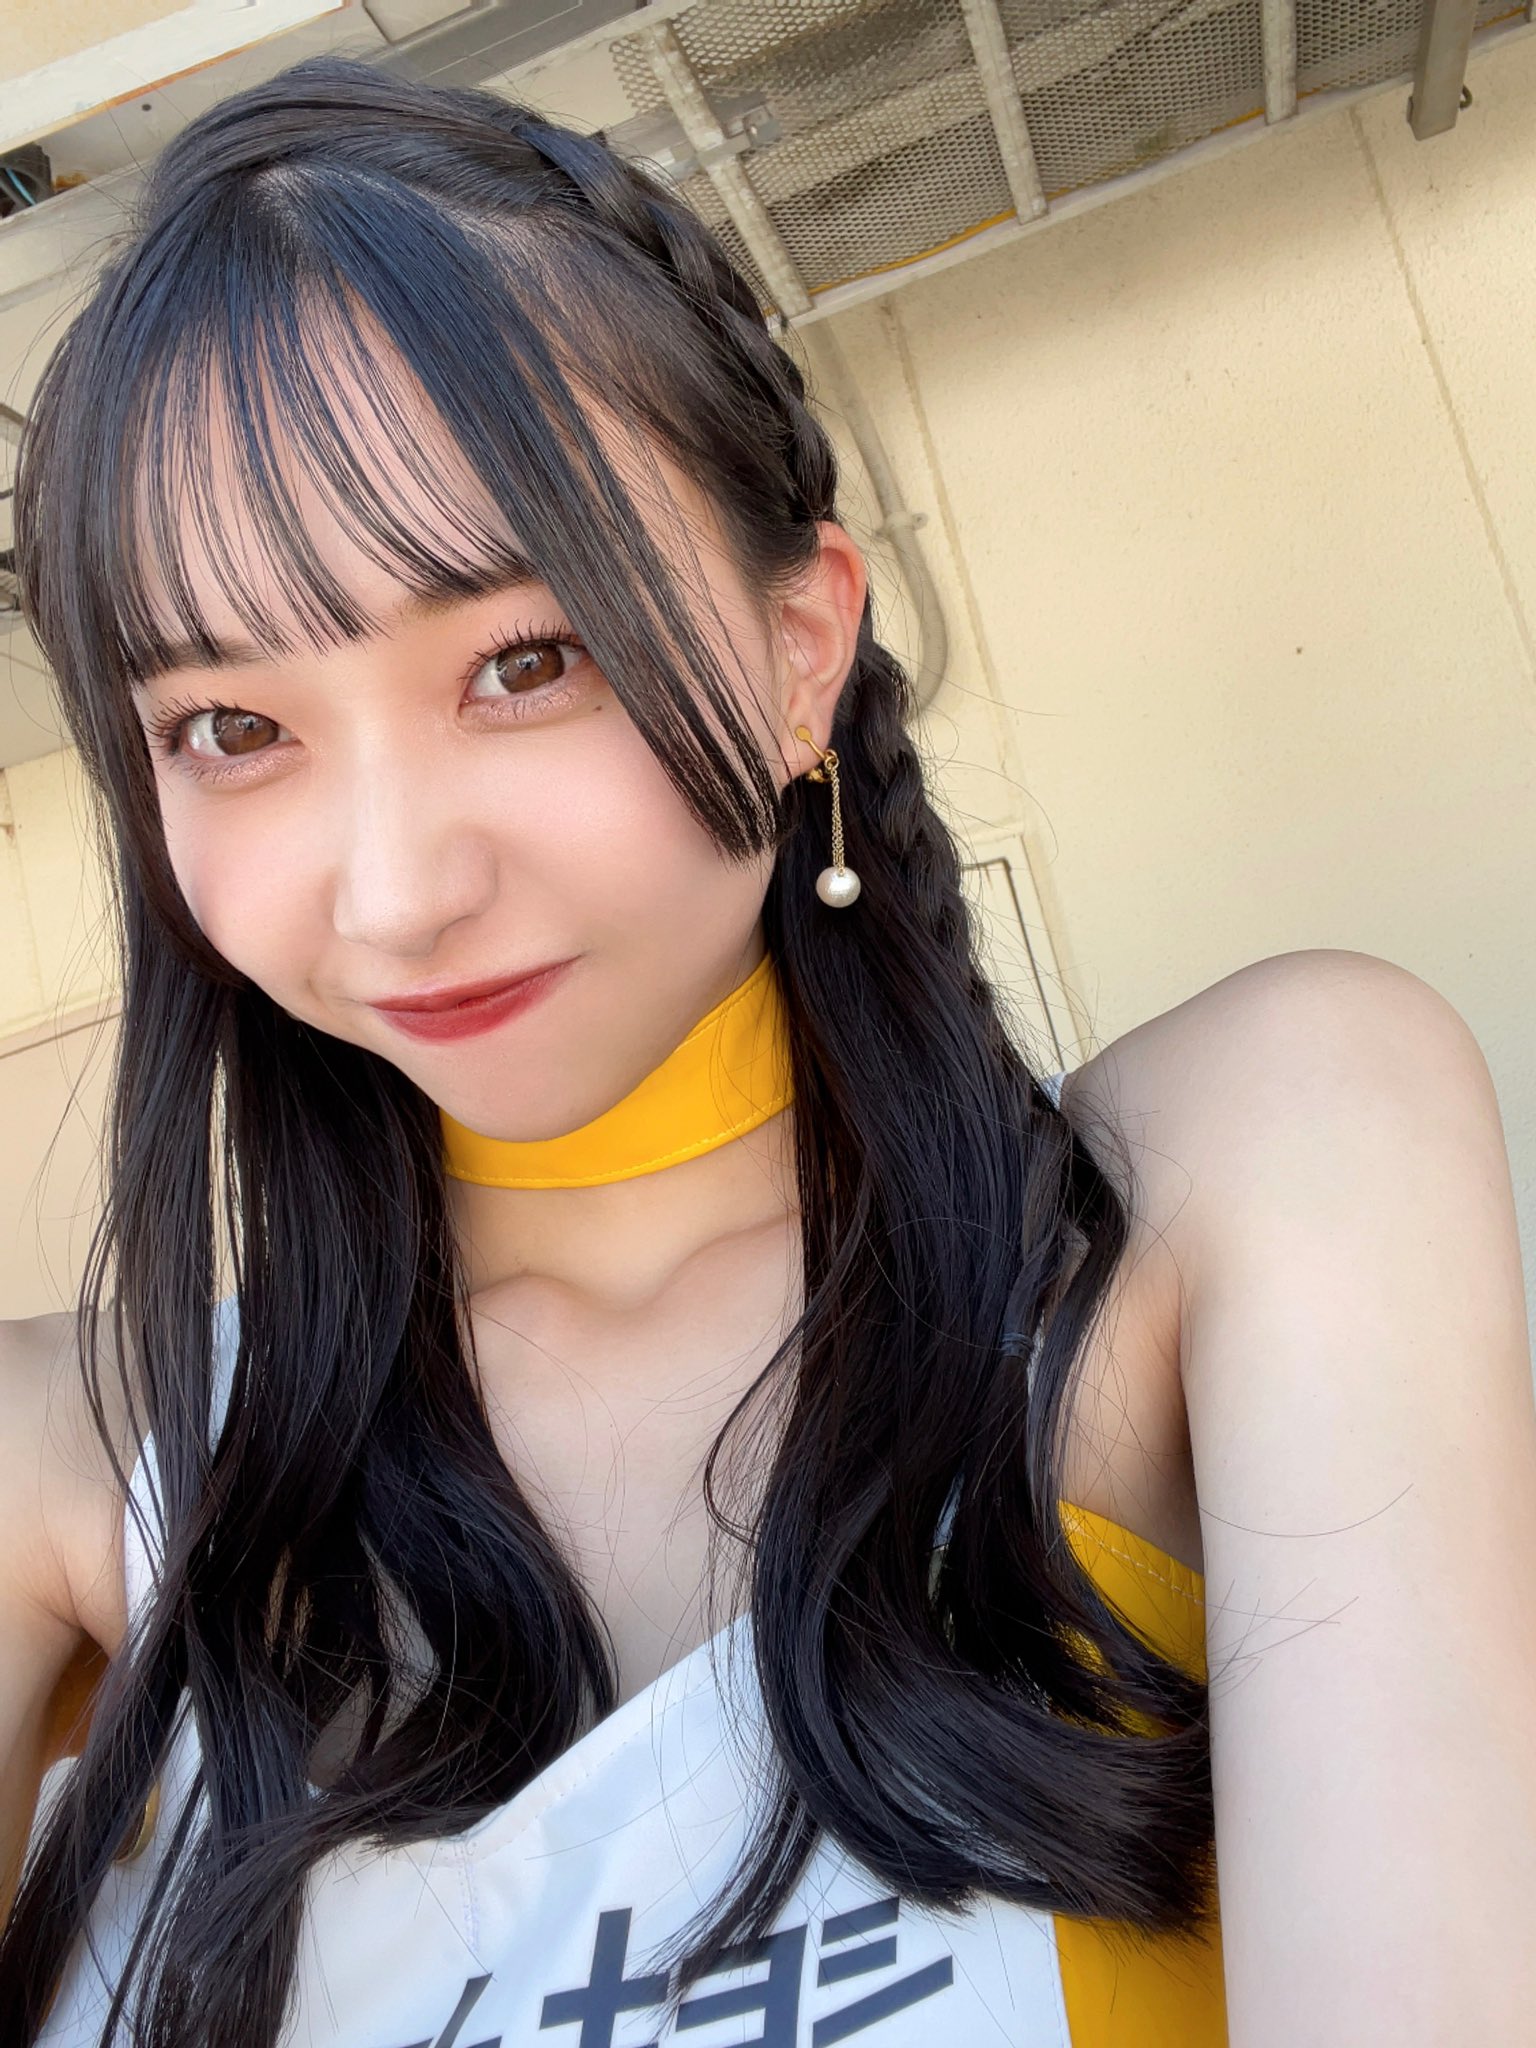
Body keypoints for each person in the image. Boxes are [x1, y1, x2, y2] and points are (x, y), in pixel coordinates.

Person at [2, 51, 1533, 2048]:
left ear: (802, 649)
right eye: (232, 728)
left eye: (524, 661)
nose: (393, 890)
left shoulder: (1230, 1176)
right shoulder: (72, 1463)